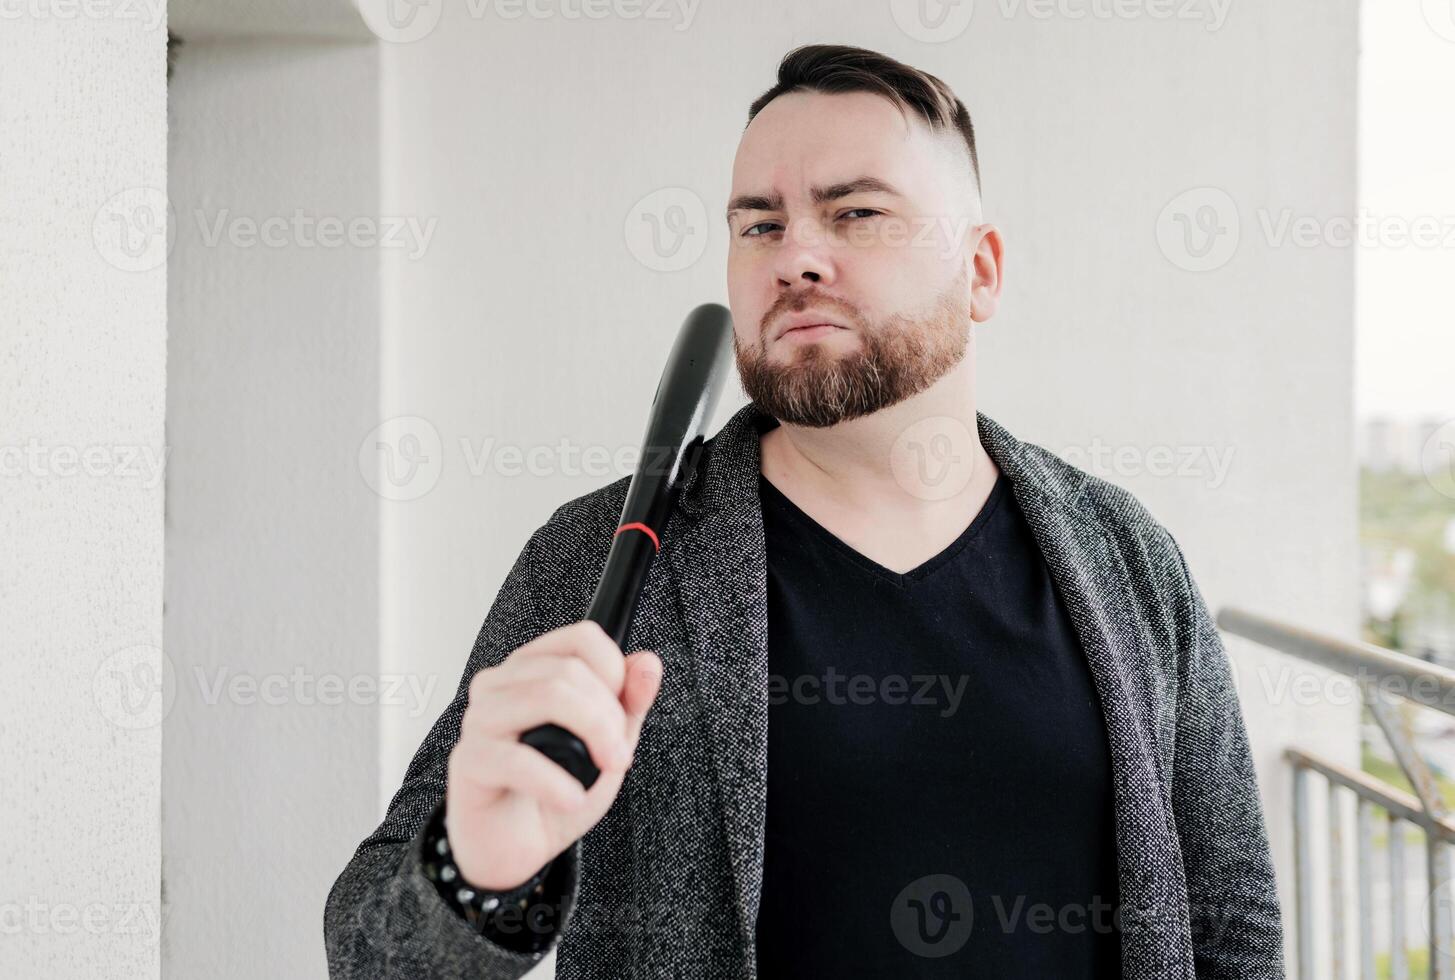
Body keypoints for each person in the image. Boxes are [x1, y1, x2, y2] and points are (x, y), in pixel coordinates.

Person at [325, 43, 1284, 979]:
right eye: (759, 225)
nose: (796, 259)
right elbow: (370, 951)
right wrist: (478, 879)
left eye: (856, 212)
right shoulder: (603, 559)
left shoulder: (1124, 556)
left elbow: (1231, 921)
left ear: (980, 270)